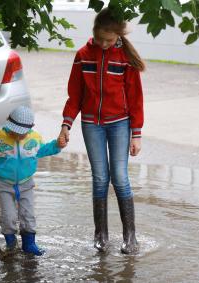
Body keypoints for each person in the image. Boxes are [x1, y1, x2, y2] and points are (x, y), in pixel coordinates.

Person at [58, 8, 145, 254]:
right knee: (99, 178)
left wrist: (136, 133)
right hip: (91, 124)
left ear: (118, 36)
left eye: (110, 40)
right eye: (100, 39)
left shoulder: (125, 58)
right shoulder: (83, 55)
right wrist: (66, 125)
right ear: (93, 32)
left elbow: (136, 98)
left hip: (120, 123)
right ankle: (101, 236)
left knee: (120, 177)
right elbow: (74, 95)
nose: (104, 44)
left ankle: (130, 238)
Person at [0, 106, 65, 256]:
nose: (19, 136)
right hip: (5, 184)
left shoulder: (34, 138)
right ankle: (11, 244)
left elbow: (45, 150)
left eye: (22, 133)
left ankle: (29, 244)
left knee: (28, 215)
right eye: (15, 132)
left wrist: (57, 145)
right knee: (9, 217)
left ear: (31, 128)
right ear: (9, 125)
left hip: (26, 184)